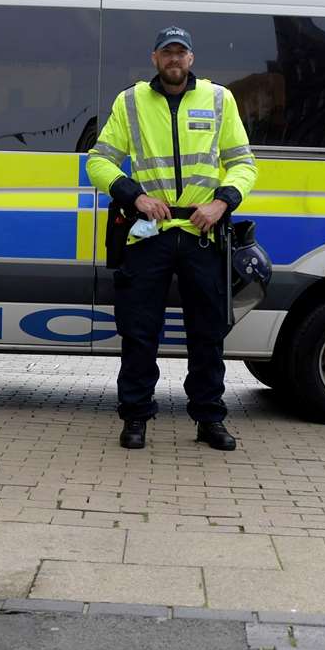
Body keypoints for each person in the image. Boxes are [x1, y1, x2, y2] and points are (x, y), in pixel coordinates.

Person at [87, 26, 259, 451]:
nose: (174, 60)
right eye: (167, 53)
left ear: (192, 59)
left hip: (203, 233)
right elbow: (99, 161)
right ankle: (135, 418)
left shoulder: (220, 99)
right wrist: (135, 197)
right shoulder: (130, 101)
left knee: (208, 333)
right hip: (150, 234)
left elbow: (244, 163)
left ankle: (209, 419)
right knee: (140, 332)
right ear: (155, 59)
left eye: (181, 53)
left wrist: (223, 202)